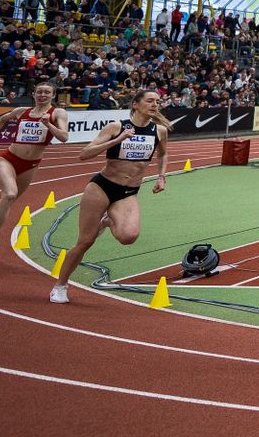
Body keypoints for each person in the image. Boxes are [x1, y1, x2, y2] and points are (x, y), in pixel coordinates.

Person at [50, 88, 170, 305]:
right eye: (150, 101)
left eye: (157, 101)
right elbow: (84, 154)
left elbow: (163, 154)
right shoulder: (116, 127)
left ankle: (107, 220)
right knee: (85, 241)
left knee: (128, 237)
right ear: (135, 104)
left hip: (128, 192)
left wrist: (162, 177)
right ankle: (60, 285)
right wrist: (118, 140)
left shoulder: (159, 131)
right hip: (102, 188)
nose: (155, 105)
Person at [0, 81, 69, 257]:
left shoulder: (58, 113)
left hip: (31, 165)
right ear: (33, 94)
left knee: (8, 200)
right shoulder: (22, 111)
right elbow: (2, 119)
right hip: (8, 159)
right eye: (39, 92)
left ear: (53, 95)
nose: (42, 95)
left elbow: (64, 137)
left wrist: (48, 124)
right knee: (10, 194)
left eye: (47, 92)